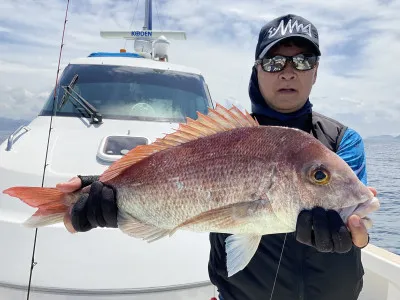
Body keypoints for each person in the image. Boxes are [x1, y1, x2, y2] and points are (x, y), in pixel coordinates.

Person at [57, 14, 376, 300]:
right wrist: (106, 187)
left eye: (303, 61)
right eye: (275, 62)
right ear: (257, 70)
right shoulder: (220, 137)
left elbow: (356, 221)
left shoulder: (343, 140)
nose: (289, 72)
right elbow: (166, 170)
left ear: (316, 71)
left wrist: (354, 235)